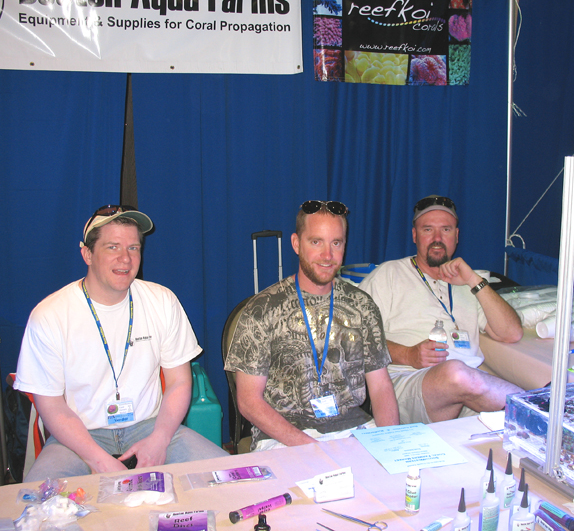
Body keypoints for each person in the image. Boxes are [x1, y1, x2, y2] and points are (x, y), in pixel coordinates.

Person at [15, 204, 228, 482]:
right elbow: (51, 405)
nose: (125, 259)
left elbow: (179, 382)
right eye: (112, 247)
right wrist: (98, 459)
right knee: (38, 503)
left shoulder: (162, 301)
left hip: (150, 427)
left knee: (231, 480)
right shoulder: (49, 315)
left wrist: (160, 439)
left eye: (133, 248)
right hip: (78, 437)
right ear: (87, 254)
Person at [225, 200, 399, 451]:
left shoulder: (362, 305)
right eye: (316, 242)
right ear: (296, 244)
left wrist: (390, 443)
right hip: (284, 437)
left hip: (353, 428)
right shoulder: (262, 310)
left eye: (336, 243)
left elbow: (381, 386)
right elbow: (249, 402)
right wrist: (314, 449)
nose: (327, 255)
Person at [359, 195, 524, 424]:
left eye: (446, 230)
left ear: (456, 236)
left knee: (506, 424)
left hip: (470, 388)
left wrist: (474, 280)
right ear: (415, 235)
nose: (437, 239)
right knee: (454, 373)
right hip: (408, 384)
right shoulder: (388, 275)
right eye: (428, 230)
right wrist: (408, 354)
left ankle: (539, 410)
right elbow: (355, 340)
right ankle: (539, 408)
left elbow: (512, 333)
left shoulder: (468, 281)